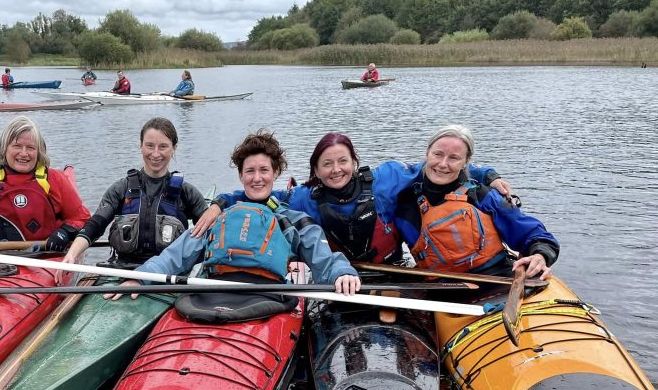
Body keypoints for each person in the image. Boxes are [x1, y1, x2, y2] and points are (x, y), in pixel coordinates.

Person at [195, 131, 511, 266]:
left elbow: (438, 167)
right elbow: (261, 194)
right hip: (341, 280)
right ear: (316, 171)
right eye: (327, 164)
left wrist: (487, 175)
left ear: (354, 162)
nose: (336, 170)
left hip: (393, 273)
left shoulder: (386, 179)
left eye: (343, 161)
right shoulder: (304, 197)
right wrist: (221, 202)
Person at [114, 130, 361, 298]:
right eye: (249, 171)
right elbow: (175, 256)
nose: (256, 178)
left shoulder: (291, 220)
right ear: (241, 175)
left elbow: (323, 258)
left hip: (268, 299)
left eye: (264, 170)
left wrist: (343, 273)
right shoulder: (218, 217)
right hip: (213, 294)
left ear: (275, 174)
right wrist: (140, 279)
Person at [379, 124, 558, 279]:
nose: (442, 164)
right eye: (437, 154)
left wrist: (540, 255)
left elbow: (535, 235)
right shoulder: (403, 203)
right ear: (427, 154)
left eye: (454, 158)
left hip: (497, 277)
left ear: (465, 162)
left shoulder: (482, 196)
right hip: (441, 288)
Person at [61, 117, 212, 266]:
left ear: (174, 148)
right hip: (124, 269)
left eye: (163, 147)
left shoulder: (187, 193)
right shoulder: (121, 189)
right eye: (150, 146)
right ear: (141, 146)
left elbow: (212, 234)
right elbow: (95, 225)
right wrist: (72, 254)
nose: (155, 154)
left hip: (168, 274)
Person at [0, 116, 90, 250]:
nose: (24, 153)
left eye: (31, 148)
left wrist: (65, 233)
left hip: (48, 255)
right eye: (17, 146)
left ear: (39, 152)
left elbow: (82, 218)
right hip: (1, 261)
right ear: (4, 149)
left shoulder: (55, 180)